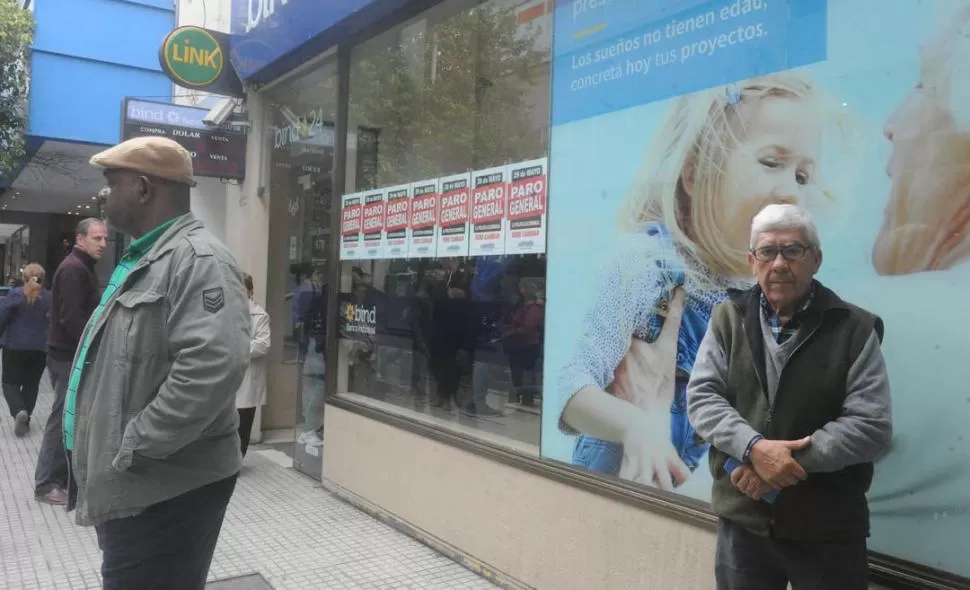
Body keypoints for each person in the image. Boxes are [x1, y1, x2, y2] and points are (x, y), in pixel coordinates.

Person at [556, 72, 842, 491]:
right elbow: (571, 387)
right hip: (617, 485)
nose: (792, 191)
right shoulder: (646, 263)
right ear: (694, 173)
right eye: (771, 162)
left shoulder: (766, 297)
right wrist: (635, 427)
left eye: (802, 176)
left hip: (697, 493)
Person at [67, 136, 250, 590]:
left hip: (164, 488)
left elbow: (212, 367)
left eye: (113, 183)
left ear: (144, 188)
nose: (104, 195)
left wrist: (133, 444)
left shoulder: (198, 259)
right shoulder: (146, 258)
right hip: (136, 485)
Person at [686, 204, 892, 589]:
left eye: (792, 250)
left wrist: (779, 465)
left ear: (815, 259)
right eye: (767, 252)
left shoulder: (855, 329)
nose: (778, 263)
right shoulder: (727, 318)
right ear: (752, 261)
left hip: (827, 528)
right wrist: (752, 449)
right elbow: (702, 398)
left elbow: (871, 426)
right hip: (744, 522)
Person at [35, 217, 107, 505]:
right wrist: (93, 350)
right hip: (68, 358)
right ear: (80, 239)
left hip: (67, 356)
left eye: (104, 238)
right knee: (62, 419)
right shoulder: (75, 269)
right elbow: (72, 320)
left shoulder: (80, 267)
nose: (102, 243)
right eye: (96, 238)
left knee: (69, 419)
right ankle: (46, 484)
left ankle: (61, 479)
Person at [0, 264, 52, 437]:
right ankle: (26, 419)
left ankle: (19, 411)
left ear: (24, 277)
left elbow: (2, 317)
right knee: (31, 384)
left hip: (14, 346)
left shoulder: (15, 294)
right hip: (39, 348)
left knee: (9, 382)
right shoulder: (49, 297)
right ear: (43, 278)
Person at [236, 273, 270, 458]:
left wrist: (238, 348)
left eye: (242, 290)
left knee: (243, 423)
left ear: (250, 292)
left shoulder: (259, 315)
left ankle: (238, 459)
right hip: (228, 378)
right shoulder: (226, 312)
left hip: (248, 378)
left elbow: (263, 345)